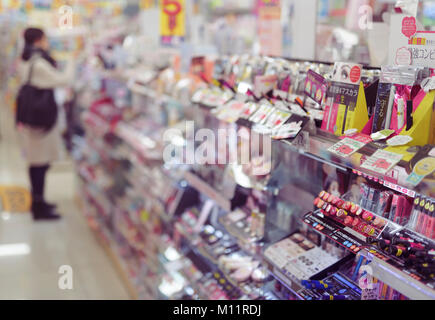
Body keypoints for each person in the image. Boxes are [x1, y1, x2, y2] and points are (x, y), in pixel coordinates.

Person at [17, 27, 75, 221]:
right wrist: (73, 60)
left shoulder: (25, 59)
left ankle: (39, 201)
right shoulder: (39, 64)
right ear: (38, 40)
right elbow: (64, 80)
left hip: (32, 118)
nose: (47, 42)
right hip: (41, 120)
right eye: (45, 38)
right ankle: (39, 206)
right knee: (40, 164)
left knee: (37, 162)